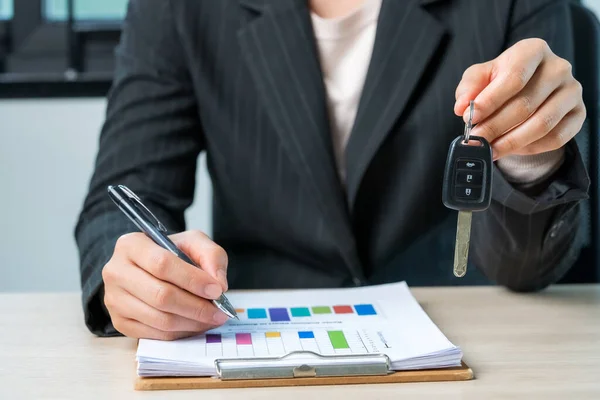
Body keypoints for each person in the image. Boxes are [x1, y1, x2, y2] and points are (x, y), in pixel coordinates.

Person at [75, 0, 590, 340]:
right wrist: (132, 276)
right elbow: (121, 194)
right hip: (255, 332)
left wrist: (533, 153)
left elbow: (526, 269)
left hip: (472, 333)